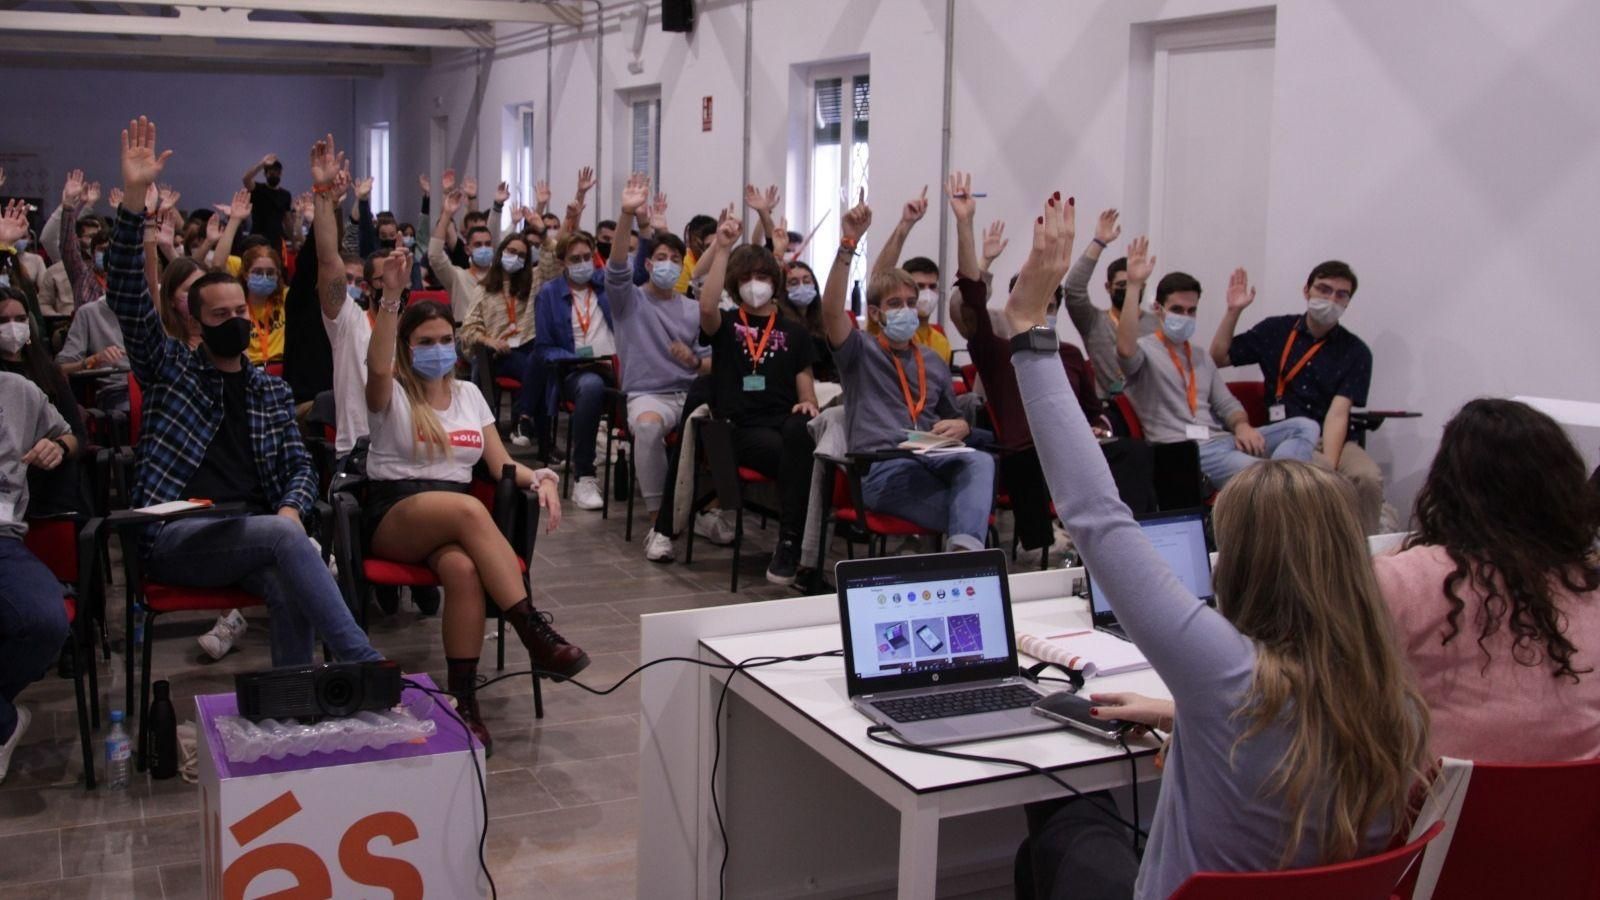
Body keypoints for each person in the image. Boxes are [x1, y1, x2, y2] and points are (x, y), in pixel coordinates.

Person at [1007, 192, 1430, 900]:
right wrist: (1184, 716)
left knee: (1065, 823)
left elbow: (1096, 515)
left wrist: (1028, 330)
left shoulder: (1227, 675)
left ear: (1246, 565)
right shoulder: (1397, 706)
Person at [107, 115, 380, 668]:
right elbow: (129, 296)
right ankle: (364, 664)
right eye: (221, 315)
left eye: (240, 312)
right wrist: (134, 201)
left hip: (251, 530)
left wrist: (291, 507)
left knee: (289, 579)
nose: (235, 321)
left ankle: (294, 702)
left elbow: (300, 468)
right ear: (196, 321)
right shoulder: (169, 369)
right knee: (286, 541)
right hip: (176, 533)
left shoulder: (268, 392)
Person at [365, 262, 584, 754]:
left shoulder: (468, 394)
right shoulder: (391, 391)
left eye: (446, 339)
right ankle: (533, 632)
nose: (438, 348)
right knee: (468, 512)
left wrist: (542, 477)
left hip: (455, 521)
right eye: (425, 341)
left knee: (463, 570)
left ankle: (464, 701)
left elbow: (501, 463)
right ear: (406, 347)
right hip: (396, 511)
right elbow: (377, 367)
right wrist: (391, 299)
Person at [1375, 399, 1600, 761]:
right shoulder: (1586, 587)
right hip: (1580, 794)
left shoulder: (1400, 580)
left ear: (1447, 486)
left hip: (1450, 795)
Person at [944, 173, 1157, 556]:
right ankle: (1044, 545)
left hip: (1075, 444)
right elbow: (970, 300)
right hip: (1028, 451)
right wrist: (965, 224)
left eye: (1050, 305)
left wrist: (1099, 427)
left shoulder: (1070, 354)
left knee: (1135, 452)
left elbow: (1094, 410)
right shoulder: (997, 349)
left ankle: (1133, 544)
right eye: (1034, 303)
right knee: (1031, 458)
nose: (1045, 311)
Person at [821, 192, 993, 554]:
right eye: (895, 304)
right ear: (876, 313)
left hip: (932, 459)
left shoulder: (932, 359)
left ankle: (960, 557)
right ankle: (965, 558)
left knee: (980, 461)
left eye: (911, 303)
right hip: (884, 469)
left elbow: (952, 417)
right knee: (970, 513)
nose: (906, 310)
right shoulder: (860, 351)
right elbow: (832, 311)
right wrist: (848, 243)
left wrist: (961, 426)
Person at [1115, 239, 1319, 488]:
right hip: (1185, 451)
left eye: (1191, 310)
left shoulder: (1200, 355)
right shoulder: (1144, 350)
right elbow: (1124, 349)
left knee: (1305, 427)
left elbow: (1226, 403)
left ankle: (1283, 484)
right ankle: (1283, 484)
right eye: (1177, 309)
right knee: (1262, 475)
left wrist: (1242, 426)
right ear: (1159, 309)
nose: (1185, 316)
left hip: (1223, 440)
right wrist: (1134, 286)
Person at [1210, 261, 1384, 533]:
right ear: (1306, 290)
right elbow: (1218, 358)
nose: (1331, 299)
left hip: (1332, 438)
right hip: (1284, 436)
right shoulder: (1275, 331)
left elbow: (1338, 414)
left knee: (1367, 477)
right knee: (1302, 479)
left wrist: (1329, 467)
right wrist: (1234, 311)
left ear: (1348, 302)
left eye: (1341, 295)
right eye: (1324, 289)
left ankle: (1364, 549)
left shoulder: (1356, 351)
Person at [695, 209, 820, 584]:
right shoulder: (728, 324)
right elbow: (706, 307)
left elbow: (805, 384)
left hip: (783, 422)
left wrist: (808, 403)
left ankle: (792, 542)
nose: (756, 284)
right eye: (747, 278)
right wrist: (722, 248)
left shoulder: (794, 332)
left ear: (775, 282)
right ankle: (794, 543)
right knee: (796, 457)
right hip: (740, 427)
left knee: (801, 432)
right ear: (736, 284)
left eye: (763, 277)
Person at [608, 175, 713, 561]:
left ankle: (710, 510)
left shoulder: (692, 308)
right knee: (649, 427)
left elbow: (710, 360)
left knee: (730, 426)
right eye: (661, 259)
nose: (668, 265)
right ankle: (660, 523)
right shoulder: (629, 301)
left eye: (675, 260)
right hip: (648, 394)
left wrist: (695, 361)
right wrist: (627, 215)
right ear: (649, 264)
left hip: (691, 393)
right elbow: (617, 265)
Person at [0, 372, 75, 783]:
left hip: (4, 538)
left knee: (46, 621)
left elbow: (71, 435)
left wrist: (58, 446)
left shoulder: (18, 390)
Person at [531, 230, 614, 505]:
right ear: (562, 262)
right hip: (574, 371)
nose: (583, 264)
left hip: (614, 366)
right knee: (591, 386)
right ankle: (584, 476)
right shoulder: (549, 294)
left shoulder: (604, 285)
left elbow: (636, 274)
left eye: (587, 257)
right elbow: (543, 347)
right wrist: (574, 357)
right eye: (575, 259)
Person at [458, 229, 560, 447]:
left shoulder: (533, 281)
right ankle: (537, 436)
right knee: (541, 370)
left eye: (522, 255)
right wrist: (489, 340)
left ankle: (524, 419)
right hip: (499, 352)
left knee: (541, 363)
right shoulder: (484, 289)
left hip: (529, 346)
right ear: (501, 252)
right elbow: (468, 328)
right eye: (512, 251)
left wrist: (544, 235)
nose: (516, 258)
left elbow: (554, 267)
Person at [0, 290, 85, 520]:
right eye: (3, 321)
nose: (13, 327)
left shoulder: (48, 372)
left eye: (20, 319)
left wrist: (58, 447)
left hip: (46, 480)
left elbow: (77, 436)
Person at [866, 186, 952, 364]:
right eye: (920, 287)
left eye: (932, 286)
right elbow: (879, 276)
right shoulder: (889, 328)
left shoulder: (941, 342)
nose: (927, 294)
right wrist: (905, 225)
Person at [241, 153, 293, 250]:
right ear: (265, 174)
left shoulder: (286, 195)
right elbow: (246, 179)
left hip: (277, 241)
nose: (275, 175)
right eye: (271, 173)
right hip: (257, 239)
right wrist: (262, 164)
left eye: (277, 173)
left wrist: (293, 241)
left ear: (281, 174)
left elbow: (288, 220)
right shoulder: (257, 189)